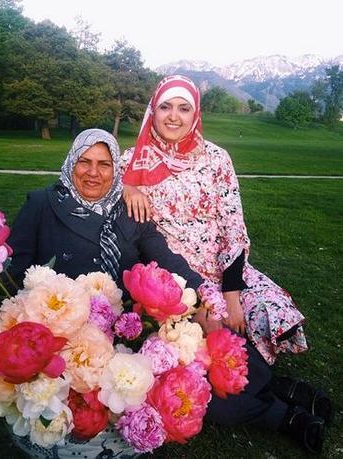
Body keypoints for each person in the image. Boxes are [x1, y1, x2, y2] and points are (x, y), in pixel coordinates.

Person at [6, 128, 330, 455]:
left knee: (202, 360)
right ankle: (281, 415)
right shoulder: (42, 204)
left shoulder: (129, 209)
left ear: (115, 170)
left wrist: (205, 297)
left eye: (104, 164)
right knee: (191, 394)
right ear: (70, 163)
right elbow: (14, 271)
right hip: (67, 332)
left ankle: (278, 387)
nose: (93, 172)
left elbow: (167, 258)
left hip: (129, 326)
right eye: (84, 162)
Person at [121, 75, 307, 365]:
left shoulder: (216, 159)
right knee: (197, 343)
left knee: (266, 313)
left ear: (195, 115)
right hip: (173, 275)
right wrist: (127, 186)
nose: (173, 117)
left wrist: (231, 296)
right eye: (165, 107)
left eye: (184, 108)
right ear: (152, 111)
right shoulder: (131, 162)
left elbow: (233, 228)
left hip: (223, 269)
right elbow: (90, 182)